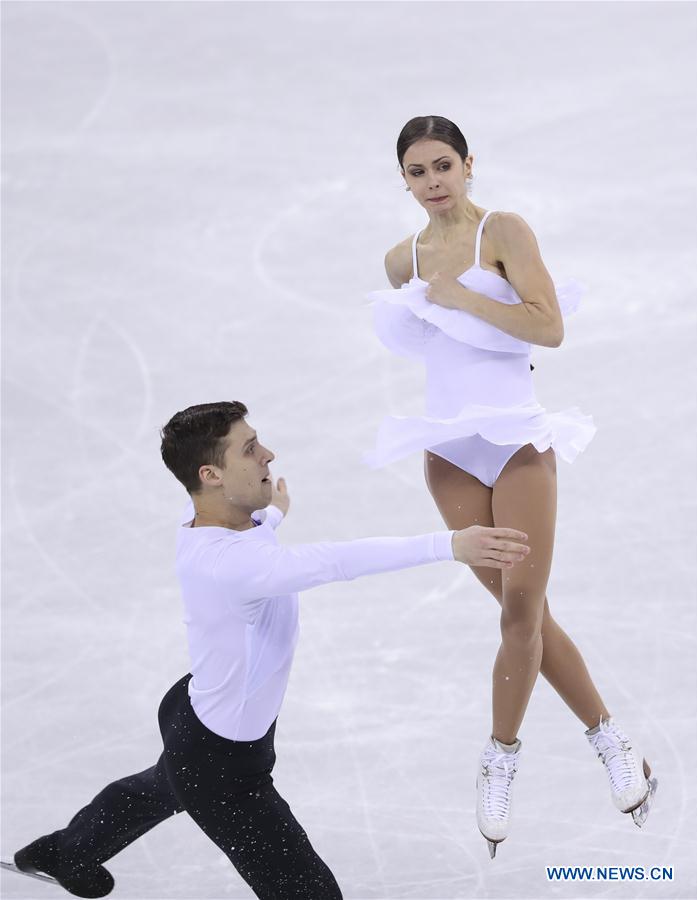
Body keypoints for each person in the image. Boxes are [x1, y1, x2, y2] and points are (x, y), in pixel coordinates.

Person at [11, 400, 531, 899]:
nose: (268, 455)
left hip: (193, 713)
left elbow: (253, 544)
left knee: (157, 787)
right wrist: (448, 544)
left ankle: (64, 853)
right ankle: (67, 851)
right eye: (249, 448)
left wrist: (275, 515)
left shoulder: (219, 529)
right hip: (221, 767)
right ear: (210, 476)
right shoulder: (231, 564)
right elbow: (333, 561)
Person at [364, 115, 657, 857]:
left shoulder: (503, 230)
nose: (430, 183)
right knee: (519, 611)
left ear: (467, 164)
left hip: (517, 439)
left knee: (521, 613)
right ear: (401, 179)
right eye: (415, 171)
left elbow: (548, 326)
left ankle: (503, 754)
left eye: (441, 166)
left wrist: (462, 297)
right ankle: (613, 738)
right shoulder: (400, 260)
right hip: (449, 451)